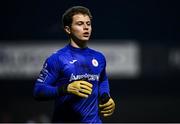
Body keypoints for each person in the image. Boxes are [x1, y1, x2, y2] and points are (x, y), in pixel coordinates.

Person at [33, 6, 115, 123]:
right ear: (68, 29)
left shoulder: (99, 57)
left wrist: (106, 96)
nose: (86, 27)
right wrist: (66, 89)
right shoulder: (57, 59)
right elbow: (38, 91)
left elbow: (102, 80)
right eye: (80, 24)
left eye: (88, 24)